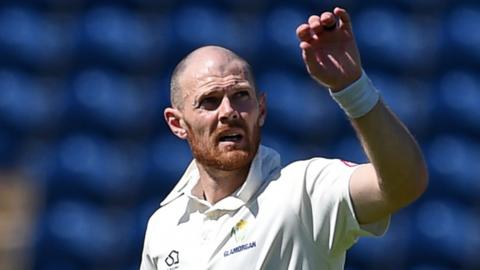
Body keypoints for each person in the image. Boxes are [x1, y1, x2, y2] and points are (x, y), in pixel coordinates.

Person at [140, 7, 428, 270]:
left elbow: (404, 184)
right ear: (177, 124)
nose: (229, 112)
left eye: (240, 95)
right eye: (210, 101)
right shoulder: (164, 226)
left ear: (261, 109)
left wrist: (352, 88)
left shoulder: (303, 191)